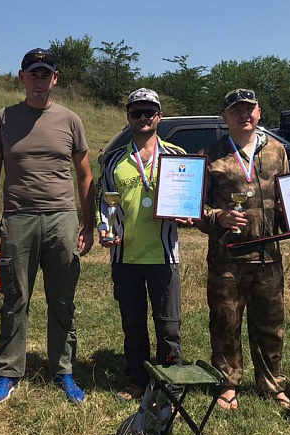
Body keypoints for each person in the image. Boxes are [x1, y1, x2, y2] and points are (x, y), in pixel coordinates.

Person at [0, 48, 95, 404]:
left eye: (46, 74)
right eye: (33, 74)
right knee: (15, 298)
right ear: (22, 77)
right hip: (19, 218)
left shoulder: (70, 120)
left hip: (62, 218)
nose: (39, 81)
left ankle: (64, 370)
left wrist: (88, 225)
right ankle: (9, 371)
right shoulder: (4, 119)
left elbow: (85, 176)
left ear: (55, 78)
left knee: (62, 299)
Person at [197, 88, 290, 410]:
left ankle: (273, 384)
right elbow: (195, 210)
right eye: (236, 110)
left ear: (259, 113)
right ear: (225, 117)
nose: (244, 115)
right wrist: (218, 216)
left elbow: (288, 201)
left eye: (249, 109)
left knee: (271, 324)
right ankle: (228, 383)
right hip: (227, 257)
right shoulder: (212, 155)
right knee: (225, 322)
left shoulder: (277, 151)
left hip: (268, 256)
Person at [97, 88, 190, 402]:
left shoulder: (178, 157)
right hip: (126, 255)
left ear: (159, 116)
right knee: (133, 325)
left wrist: (190, 214)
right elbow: (105, 205)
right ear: (128, 117)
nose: (143, 117)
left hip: (164, 255)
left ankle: (170, 382)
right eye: (136, 112)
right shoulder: (113, 161)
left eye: (149, 112)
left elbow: (191, 199)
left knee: (169, 325)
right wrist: (103, 228)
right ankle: (137, 380)